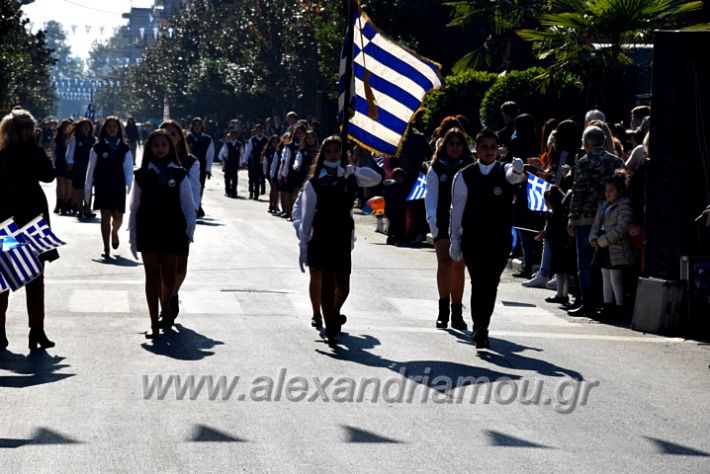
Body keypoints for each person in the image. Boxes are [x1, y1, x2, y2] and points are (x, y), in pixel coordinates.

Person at [297, 136, 381, 345]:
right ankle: (330, 325)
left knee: (343, 285)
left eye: (337, 151)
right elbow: (307, 218)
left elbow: (376, 178)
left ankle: (333, 314)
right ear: (323, 155)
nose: (333, 155)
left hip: (342, 234)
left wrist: (353, 170)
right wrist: (303, 247)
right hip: (323, 234)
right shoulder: (315, 183)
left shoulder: (350, 176)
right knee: (327, 281)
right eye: (329, 151)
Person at [449, 129, 525, 349]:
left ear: (498, 149)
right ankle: (479, 327)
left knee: (491, 283)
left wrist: (518, 169)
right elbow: (457, 209)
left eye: (493, 147)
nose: (489, 151)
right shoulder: (465, 175)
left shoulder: (505, 170)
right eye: (484, 147)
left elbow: (514, 175)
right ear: (477, 150)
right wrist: (455, 239)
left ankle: (484, 324)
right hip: (473, 237)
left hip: (499, 238)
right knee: (478, 282)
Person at [0, 109, 58, 350]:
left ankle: (0, 331)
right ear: (25, 131)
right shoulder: (32, 152)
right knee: (36, 278)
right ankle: (37, 331)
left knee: (3, 280)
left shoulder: (1, 155)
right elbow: (49, 175)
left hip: (7, 224)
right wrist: (38, 147)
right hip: (33, 223)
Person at [128, 130, 195, 339]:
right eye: (155, 145)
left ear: (170, 148)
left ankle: (165, 305)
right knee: (152, 276)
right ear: (149, 148)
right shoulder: (141, 174)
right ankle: (153, 324)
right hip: (148, 228)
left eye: (163, 145)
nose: (160, 149)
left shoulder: (179, 173)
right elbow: (134, 206)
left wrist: (189, 230)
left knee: (168, 277)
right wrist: (133, 237)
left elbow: (187, 204)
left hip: (173, 229)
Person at [567, 126, 626, 316]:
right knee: (606, 263)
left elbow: (579, 192)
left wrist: (572, 218)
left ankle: (588, 303)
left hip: (586, 217)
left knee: (585, 261)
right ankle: (606, 302)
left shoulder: (584, 162)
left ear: (585, 144)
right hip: (610, 217)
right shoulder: (616, 160)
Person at [425, 128, 473, 330]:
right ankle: (443, 311)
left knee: (458, 265)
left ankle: (457, 313)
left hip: (463, 222)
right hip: (442, 221)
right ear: (444, 146)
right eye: (451, 144)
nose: (454, 148)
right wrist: (432, 220)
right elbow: (431, 196)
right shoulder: (436, 168)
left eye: (458, 144)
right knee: (444, 262)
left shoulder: (470, 167)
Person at [159, 120, 200, 321]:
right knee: (161, 267)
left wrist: (191, 221)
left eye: (173, 134)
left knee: (180, 268)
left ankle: (173, 293)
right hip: (157, 219)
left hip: (180, 220)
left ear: (179, 137)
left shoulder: (190, 162)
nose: (169, 138)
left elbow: (194, 192)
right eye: (165, 134)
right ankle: (164, 305)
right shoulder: (152, 162)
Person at [85, 116, 134, 259]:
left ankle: (114, 232)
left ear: (118, 129)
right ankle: (106, 247)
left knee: (117, 218)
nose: (112, 129)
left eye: (114, 126)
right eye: (109, 126)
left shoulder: (125, 149)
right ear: (105, 129)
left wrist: (130, 188)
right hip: (102, 185)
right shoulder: (97, 148)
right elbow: (91, 169)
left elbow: (129, 172)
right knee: (105, 217)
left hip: (118, 186)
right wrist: (88, 188)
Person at [590, 173, 635, 317]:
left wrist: (602, 241)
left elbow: (621, 229)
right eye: (606, 190)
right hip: (603, 246)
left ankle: (619, 306)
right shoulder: (604, 205)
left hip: (616, 248)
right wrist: (593, 237)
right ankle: (607, 305)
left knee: (616, 278)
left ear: (620, 191)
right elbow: (596, 224)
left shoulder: (624, 206)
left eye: (611, 190)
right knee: (605, 276)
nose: (607, 193)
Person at [539, 186, 573, 305]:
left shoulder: (556, 215)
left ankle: (561, 294)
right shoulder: (562, 213)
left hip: (559, 246)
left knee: (560, 272)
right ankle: (563, 294)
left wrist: (546, 234)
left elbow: (554, 232)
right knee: (563, 272)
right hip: (563, 245)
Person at [65, 118, 97, 219]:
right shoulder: (75, 139)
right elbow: (70, 153)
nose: (86, 128)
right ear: (79, 128)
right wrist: (70, 164)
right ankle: (79, 209)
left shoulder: (94, 140)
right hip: (79, 167)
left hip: (90, 167)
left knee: (89, 188)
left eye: (88, 126)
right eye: (84, 126)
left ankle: (87, 209)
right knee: (79, 188)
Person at [185, 117, 214, 218]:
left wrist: (208, 169)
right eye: (195, 125)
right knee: (188, 187)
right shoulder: (187, 137)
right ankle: (189, 206)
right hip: (188, 166)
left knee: (200, 187)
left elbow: (210, 155)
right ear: (191, 126)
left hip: (201, 166)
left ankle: (197, 205)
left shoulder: (207, 139)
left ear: (202, 126)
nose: (197, 128)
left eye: (199, 125)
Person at [51, 119, 73, 215]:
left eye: (68, 126)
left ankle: (66, 203)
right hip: (60, 161)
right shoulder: (57, 138)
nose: (66, 128)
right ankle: (58, 203)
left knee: (67, 183)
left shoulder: (73, 138)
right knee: (60, 183)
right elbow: (54, 151)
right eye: (65, 126)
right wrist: (53, 163)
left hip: (69, 162)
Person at [243, 124, 269, 199]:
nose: (259, 132)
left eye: (260, 130)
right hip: (254, 161)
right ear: (255, 131)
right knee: (254, 177)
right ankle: (253, 193)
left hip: (263, 161)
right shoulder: (252, 140)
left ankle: (261, 190)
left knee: (262, 177)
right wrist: (244, 160)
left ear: (263, 131)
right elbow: (247, 151)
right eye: (257, 130)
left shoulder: (266, 140)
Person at [218, 128, 243, 198]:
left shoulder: (239, 144)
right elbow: (223, 154)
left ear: (236, 135)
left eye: (234, 135)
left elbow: (241, 154)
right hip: (228, 163)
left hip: (235, 163)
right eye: (231, 134)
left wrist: (241, 163)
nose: (233, 136)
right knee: (227, 178)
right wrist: (224, 160)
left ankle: (234, 191)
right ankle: (228, 191)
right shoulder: (227, 144)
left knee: (235, 178)